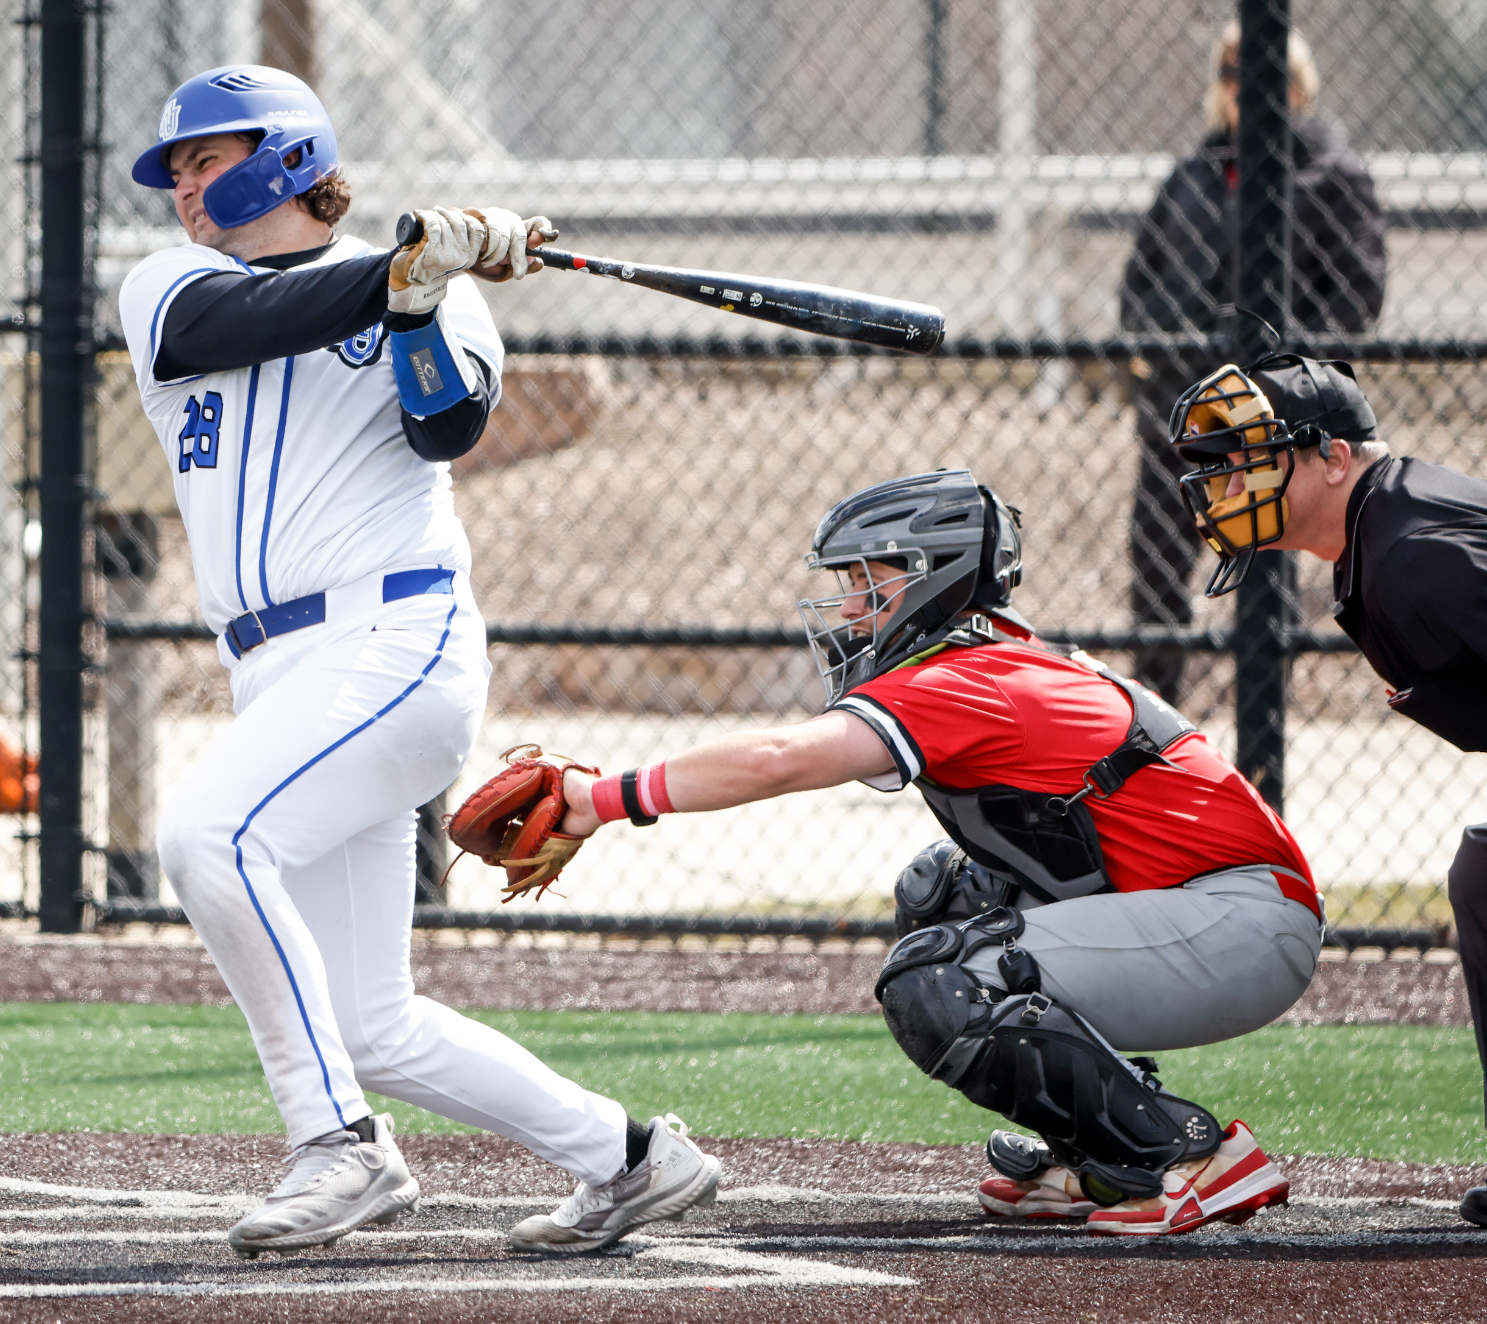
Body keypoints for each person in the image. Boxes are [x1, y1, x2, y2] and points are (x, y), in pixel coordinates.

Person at [116, 65, 719, 1258]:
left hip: (395, 639)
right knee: (371, 1020)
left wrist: (418, 299)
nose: (183, 187)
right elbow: (234, 325)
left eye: (203, 160)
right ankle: (632, 1157)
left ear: (284, 156)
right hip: (277, 671)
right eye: (177, 170)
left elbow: (445, 424)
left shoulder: (436, 297)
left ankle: (336, 1145)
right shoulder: (168, 283)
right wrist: (403, 268)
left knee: (208, 838)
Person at [479, 469, 1325, 1236]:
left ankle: (1188, 1154)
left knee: (940, 979)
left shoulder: (966, 676)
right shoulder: (988, 661)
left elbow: (785, 759)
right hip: (1210, 912)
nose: (851, 608)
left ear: (937, 573)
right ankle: (1096, 1157)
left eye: (867, 582)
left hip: (1238, 922)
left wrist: (603, 799)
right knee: (942, 892)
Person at [1163, 353, 1487, 1228]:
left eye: (1253, 457)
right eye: (1223, 465)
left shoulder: (1410, 555)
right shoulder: (1388, 528)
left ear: (1334, 459)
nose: (1230, 482)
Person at [1118, 20, 1384, 704]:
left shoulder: (1330, 174)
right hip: (1184, 414)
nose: (1241, 92)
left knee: (1265, 578)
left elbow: (1356, 294)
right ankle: (1154, 720)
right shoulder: (1195, 173)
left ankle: (1263, 727)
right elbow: (1138, 283)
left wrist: (1286, 380)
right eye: (1230, 77)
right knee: (1155, 570)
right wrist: (1158, 362)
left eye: (1260, 76)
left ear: (1295, 87)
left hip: (1273, 424)